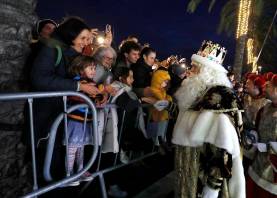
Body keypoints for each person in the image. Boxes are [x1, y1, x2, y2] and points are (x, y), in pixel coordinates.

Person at [26, 16, 100, 181]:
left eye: (88, 39)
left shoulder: (70, 53)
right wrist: (79, 87)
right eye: (83, 38)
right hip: (46, 116)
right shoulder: (51, 49)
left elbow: (81, 76)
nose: (87, 42)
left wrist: (97, 92)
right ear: (70, 35)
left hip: (60, 116)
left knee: (57, 162)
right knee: (46, 163)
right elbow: (40, 78)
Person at [172, 40, 245, 198]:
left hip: (202, 178)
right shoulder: (197, 93)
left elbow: (222, 149)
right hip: (186, 168)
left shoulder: (218, 99)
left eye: (194, 68)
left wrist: (212, 188)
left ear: (206, 72)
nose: (189, 72)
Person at [64, 55, 99, 186]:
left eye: (94, 68)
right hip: (75, 120)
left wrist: (100, 97)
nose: (93, 71)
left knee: (81, 147)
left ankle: (80, 170)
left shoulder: (91, 83)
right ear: (80, 69)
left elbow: (96, 96)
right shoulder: (78, 82)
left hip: (85, 120)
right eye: (91, 68)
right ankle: (68, 174)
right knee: (72, 148)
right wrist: (95, 95)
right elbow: (80, 96)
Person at [246, 74, 277, 197]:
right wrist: (253, 136)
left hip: (272, 176)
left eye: (268, 85)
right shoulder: (264, 108)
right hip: (256, 168)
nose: (264, 86)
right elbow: (257, 129)